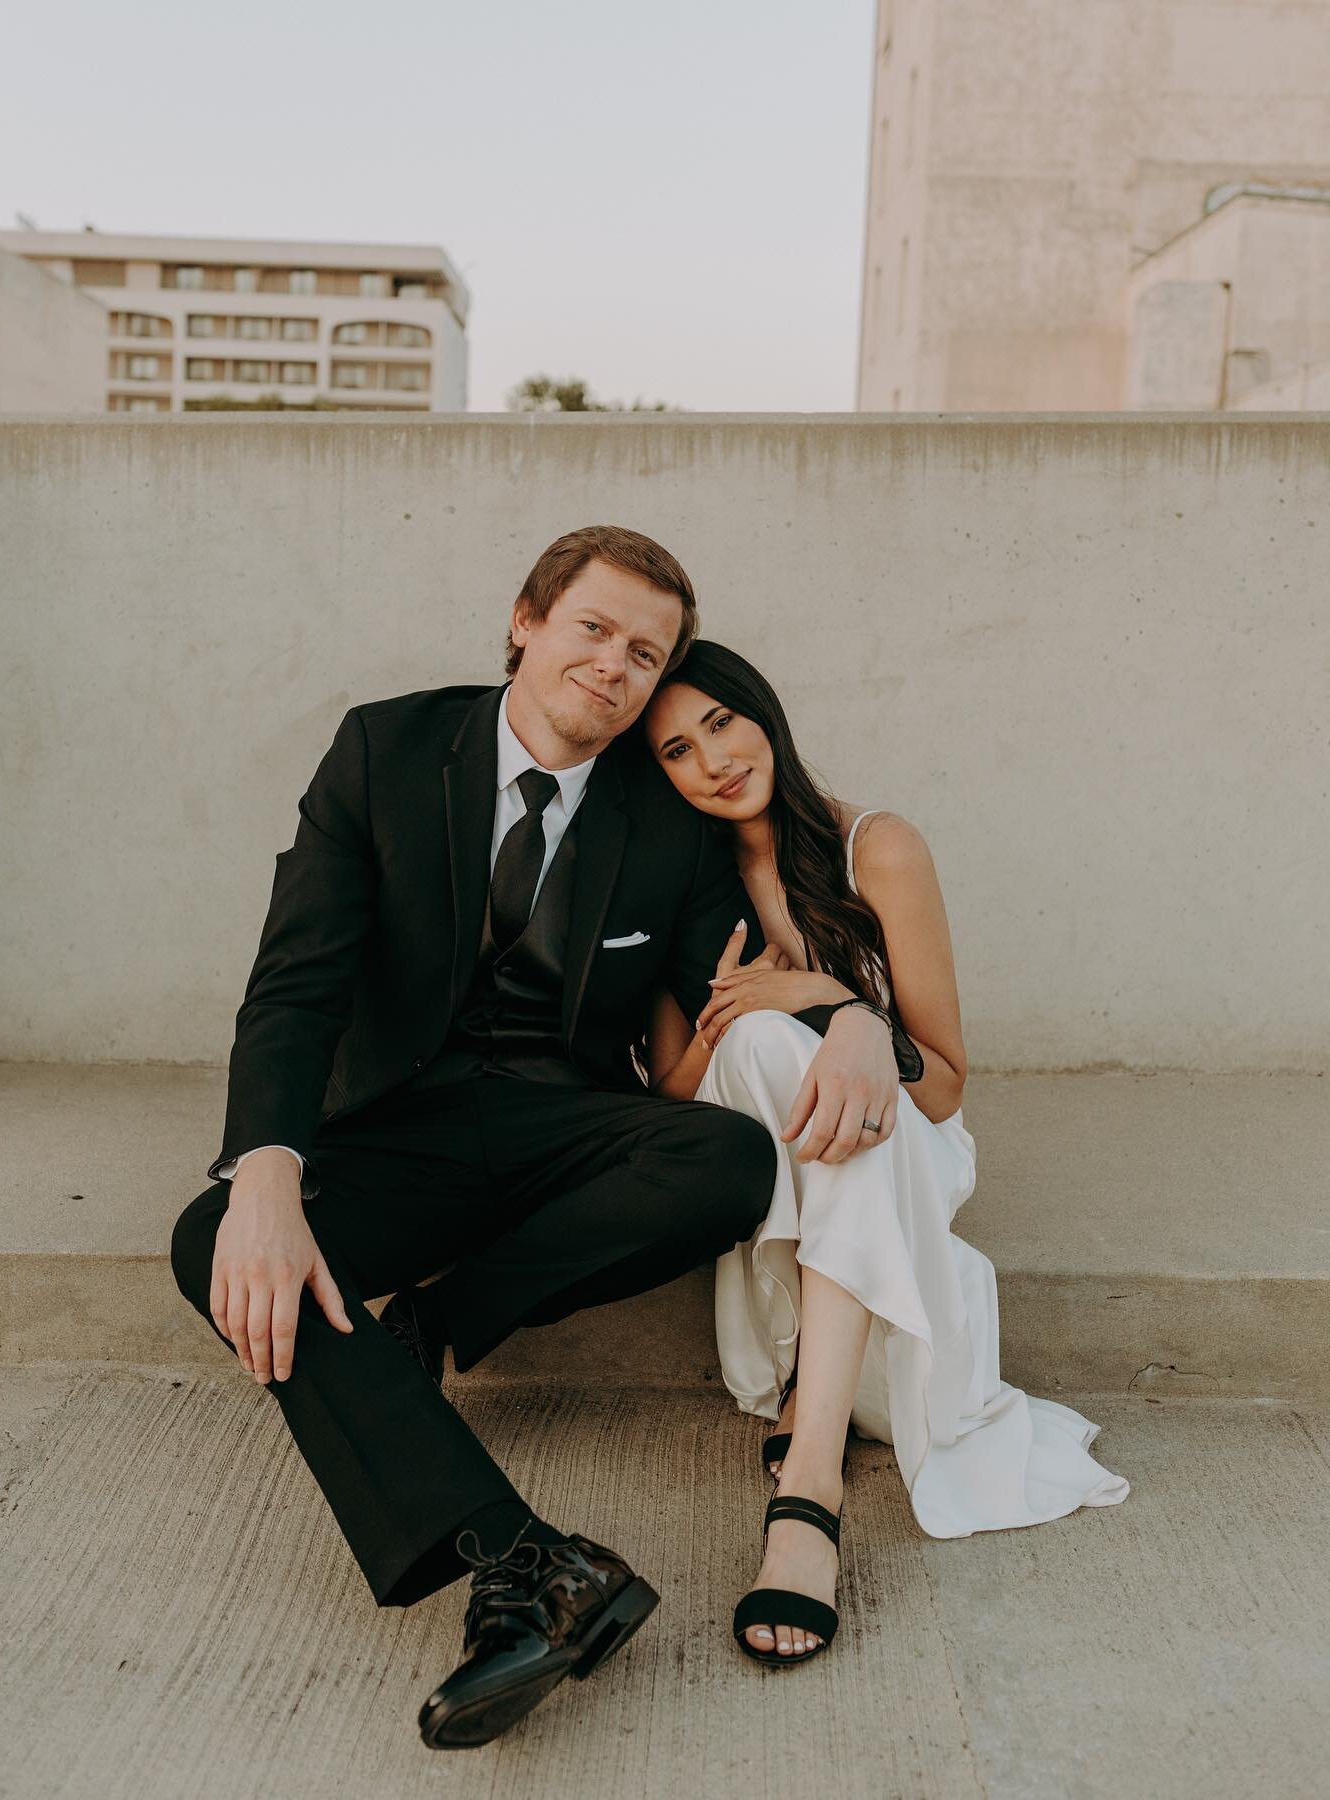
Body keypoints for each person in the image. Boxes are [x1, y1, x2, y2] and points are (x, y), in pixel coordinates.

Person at [168, 529, 905, 1749]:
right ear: (526, 619)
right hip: (392, 1126)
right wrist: (264, 1168)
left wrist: (859, 1020)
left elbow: (733, 995)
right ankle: (528, 1562)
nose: (616, 666)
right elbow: (295, 982)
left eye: (646, 651)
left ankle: (437, 1326)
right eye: (594, 630)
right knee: (214, 1237)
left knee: (726, 1160)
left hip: (556, 1116)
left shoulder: (664, 818)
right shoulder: (387, 748)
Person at [642, 640, 1130, 1669]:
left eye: (723, 723)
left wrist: (839, 1007)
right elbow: (676, 1089)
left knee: (817, 1060)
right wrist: (742, 1016)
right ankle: (813, 1467)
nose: (715, 761)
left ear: (763, 711)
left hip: (905, 1135)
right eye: (678, 751)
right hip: (761, 1134)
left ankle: (808, 1469)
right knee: (775, 1046)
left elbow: (946, 1081)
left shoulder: (879, 849)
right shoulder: (682, 881)